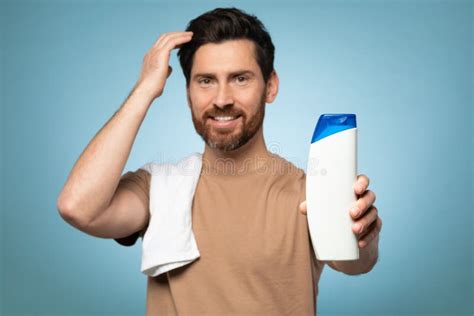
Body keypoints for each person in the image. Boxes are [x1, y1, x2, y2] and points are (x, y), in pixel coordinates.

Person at [57, 7, 382, 315]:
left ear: (270, 86)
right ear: (187, 92)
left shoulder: (308, 193)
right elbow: (78, 206)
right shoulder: (157, 188)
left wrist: (363, 232)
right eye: (206, 81)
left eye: (240, 78)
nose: (222, 99)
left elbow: (356, 261)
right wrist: (145, 89)